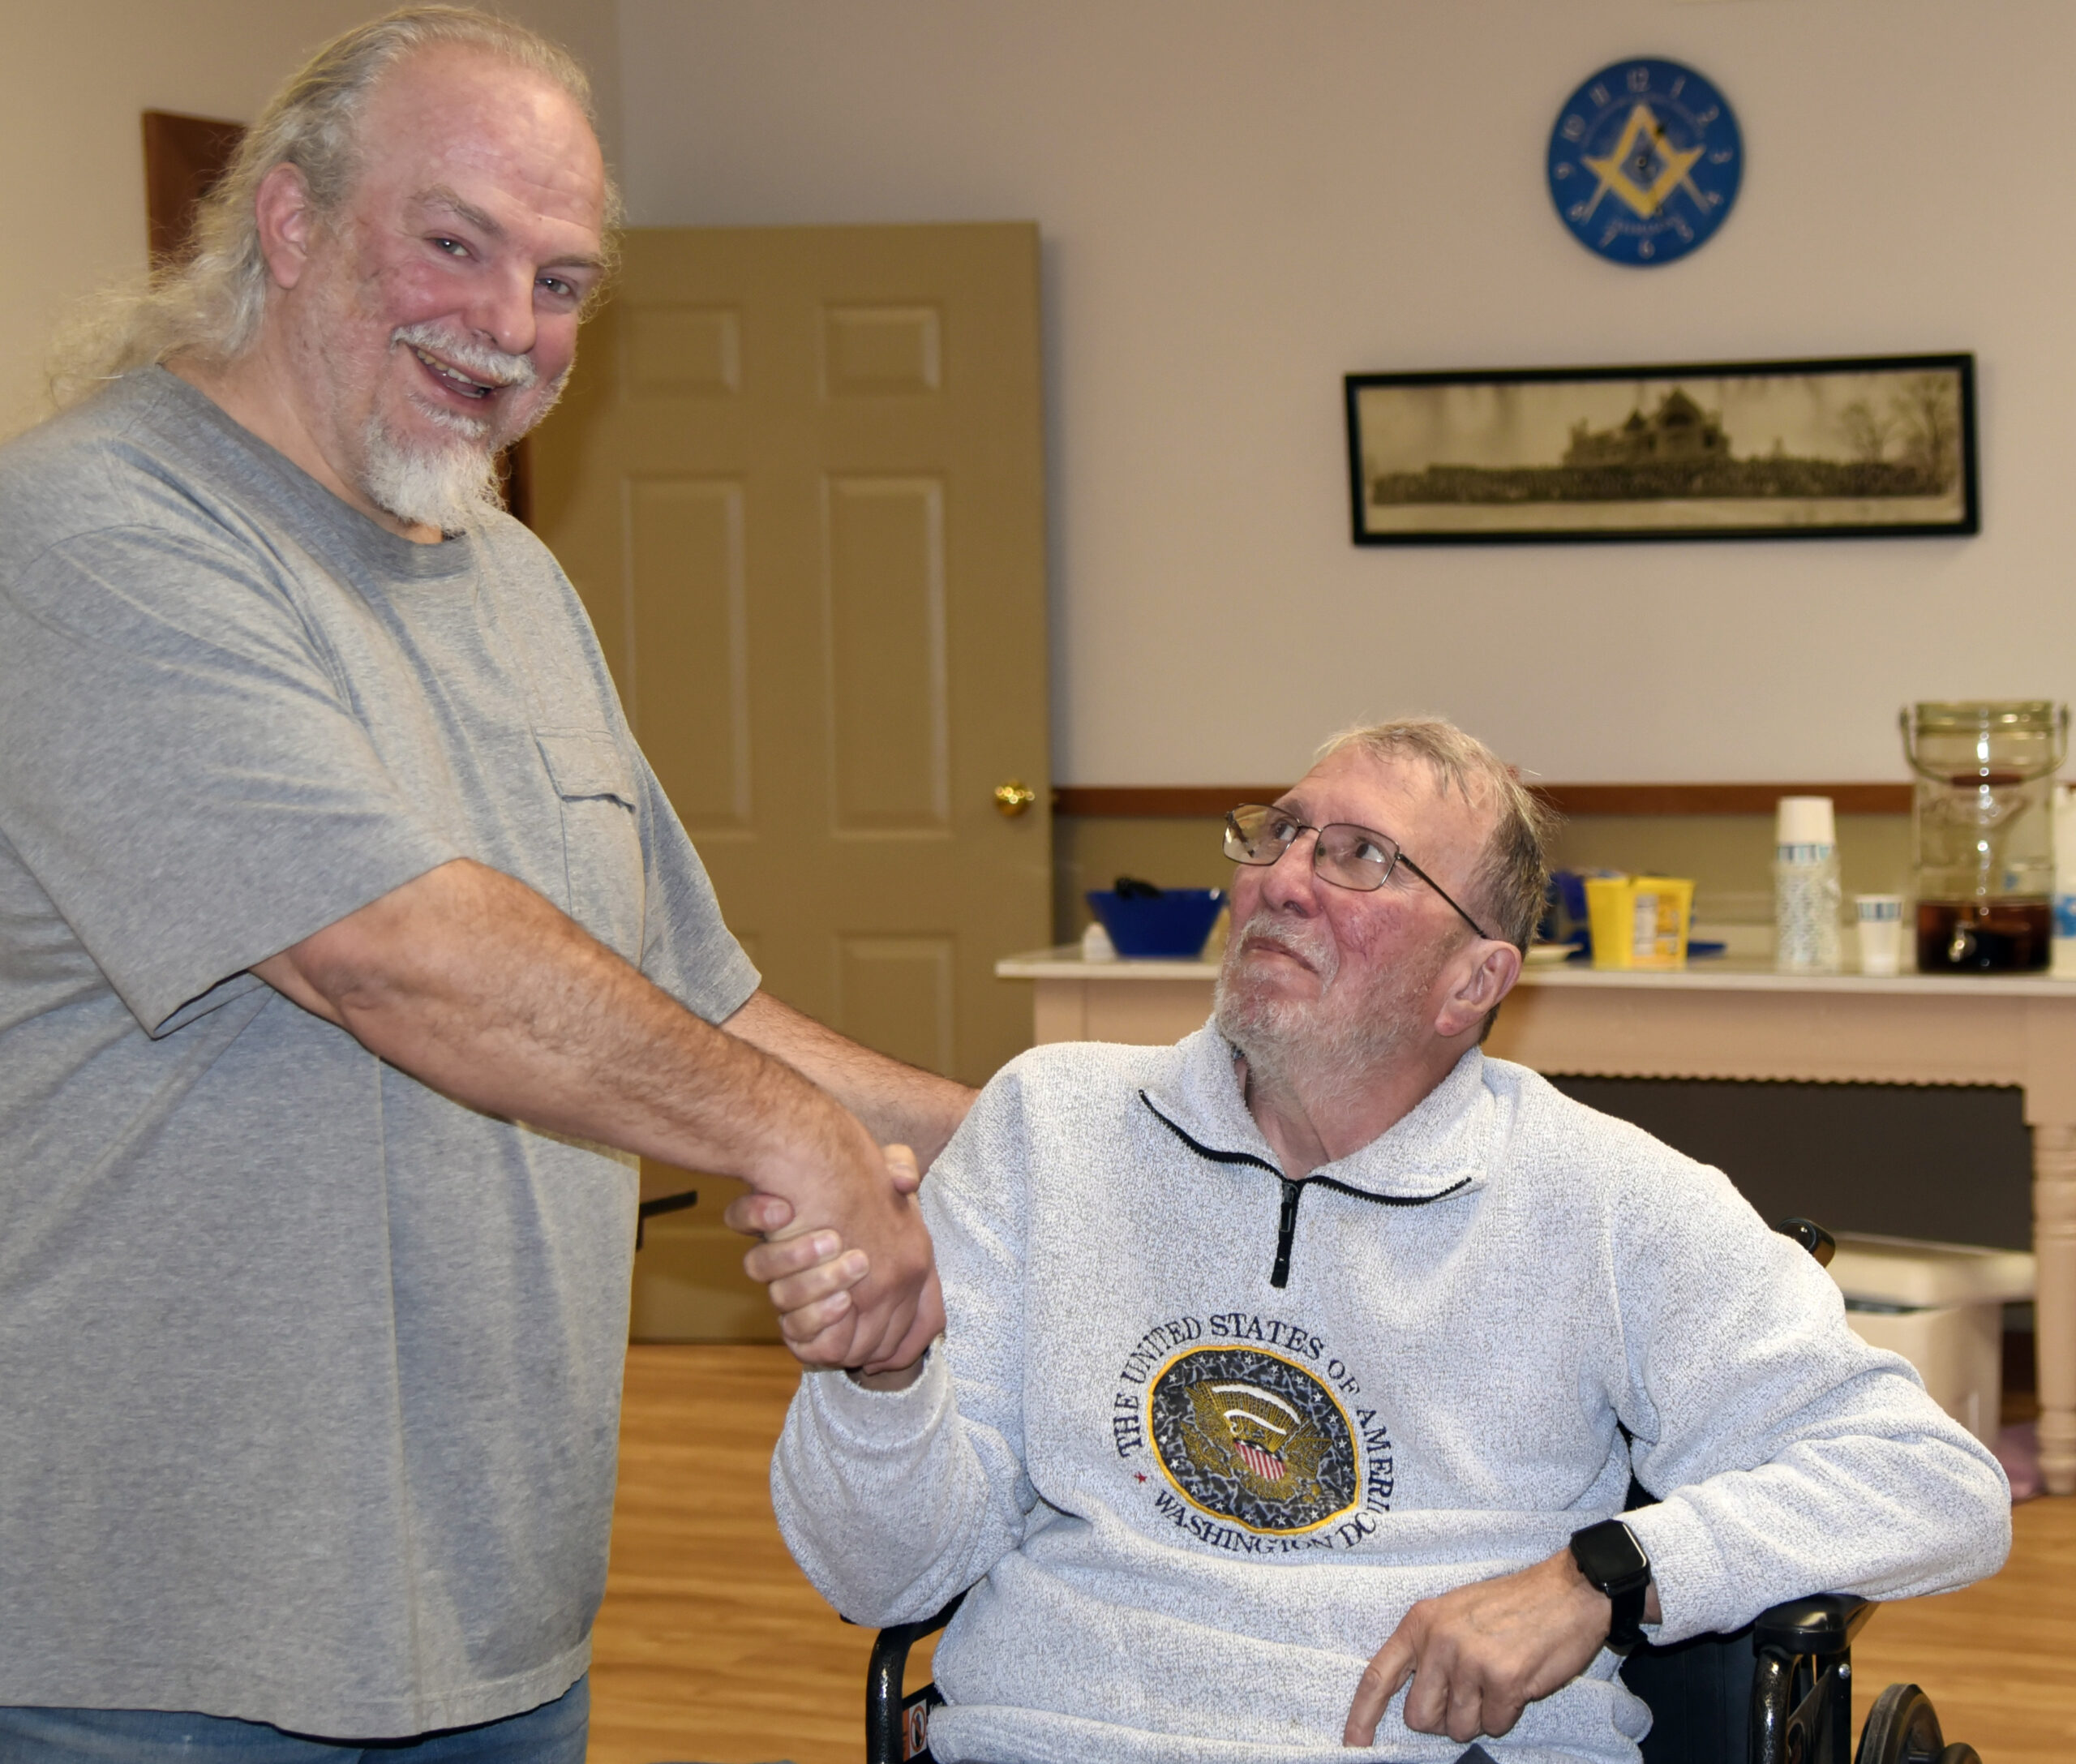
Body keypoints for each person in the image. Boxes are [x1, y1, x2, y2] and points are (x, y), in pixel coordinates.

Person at [0, 7, 954, 1758]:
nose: (508, 327)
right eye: (454, 244)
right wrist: (789, 1140)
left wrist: (1030, 1136)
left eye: (565, 281)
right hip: (153, 1641)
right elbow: (395, 955)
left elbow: (697, 1003)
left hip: (494, 1622)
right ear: (288, 222)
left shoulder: (509, 574)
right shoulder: (86, 535)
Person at [755, 717, 2012, 1764]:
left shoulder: (1605, 1198)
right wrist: (884, 1381)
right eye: (1279, 833)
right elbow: (888, 1583)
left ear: (1472, 982)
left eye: (1361, 857)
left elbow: (1932, 1483)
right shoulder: (1050, 1124)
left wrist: (1603, 1576)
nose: (1284, 877)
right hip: (1048, 1737)